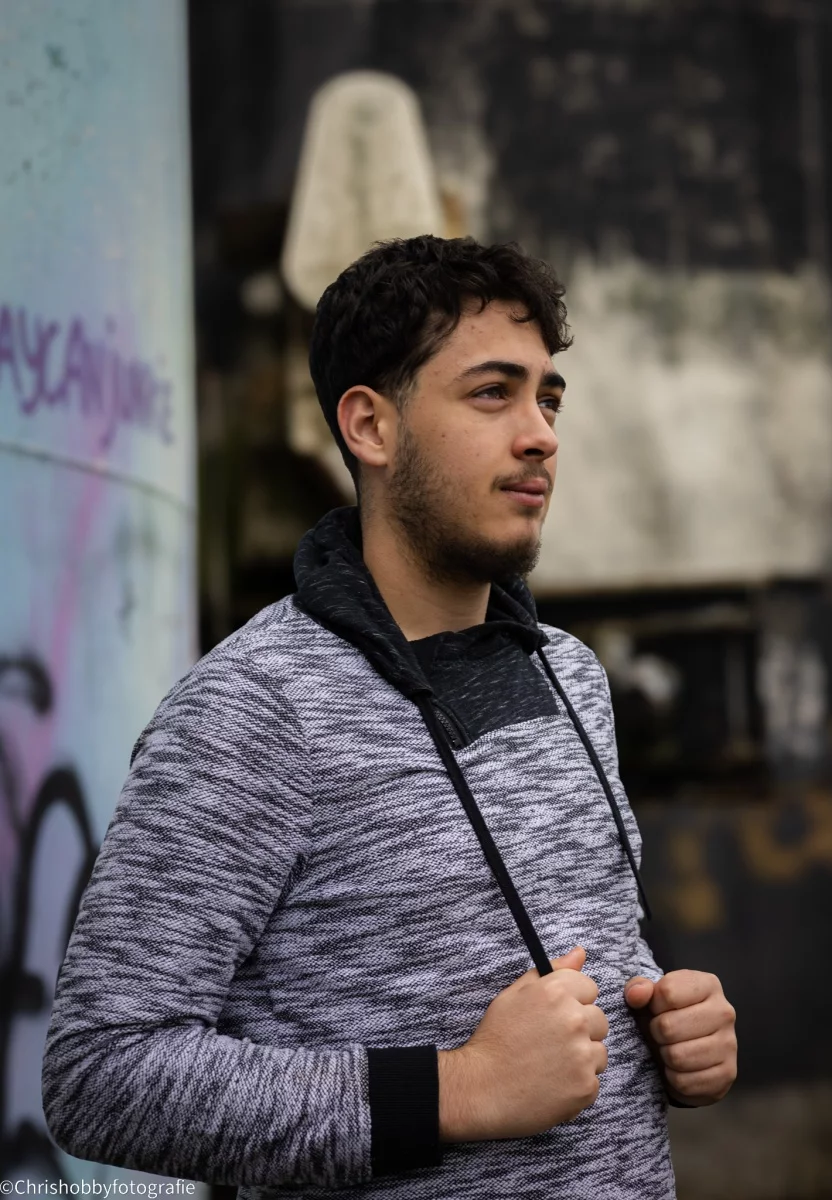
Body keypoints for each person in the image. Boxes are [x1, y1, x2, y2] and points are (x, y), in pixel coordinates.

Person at [42, 235, 737, 1199]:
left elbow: (579, 972)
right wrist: (461, 1087)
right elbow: (99, 1076)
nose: (540, 434)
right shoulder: (254, 710)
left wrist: (672, 1029)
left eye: (548, 398)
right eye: (492, 394)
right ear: (370, 425)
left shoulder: (571, 673)